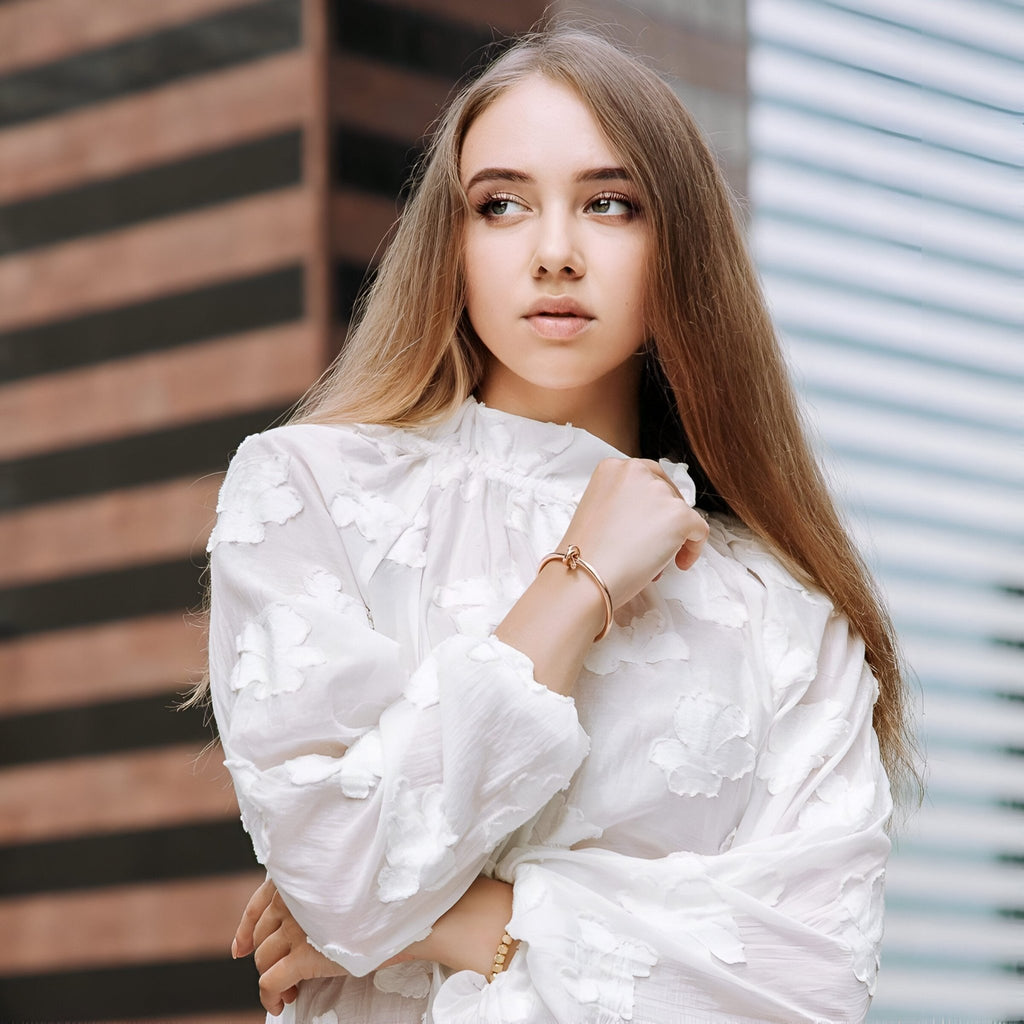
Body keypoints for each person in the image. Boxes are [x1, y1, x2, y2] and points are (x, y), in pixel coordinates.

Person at [204, 25, 918, 1024]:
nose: (553, 255)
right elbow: (334, 875)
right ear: (453, 242)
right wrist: (578, 583)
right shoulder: (310, 491)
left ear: (678, 245)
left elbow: (809, 991)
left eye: (608, 203)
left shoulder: (786, 615)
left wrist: (464, 923)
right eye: (501, 204)